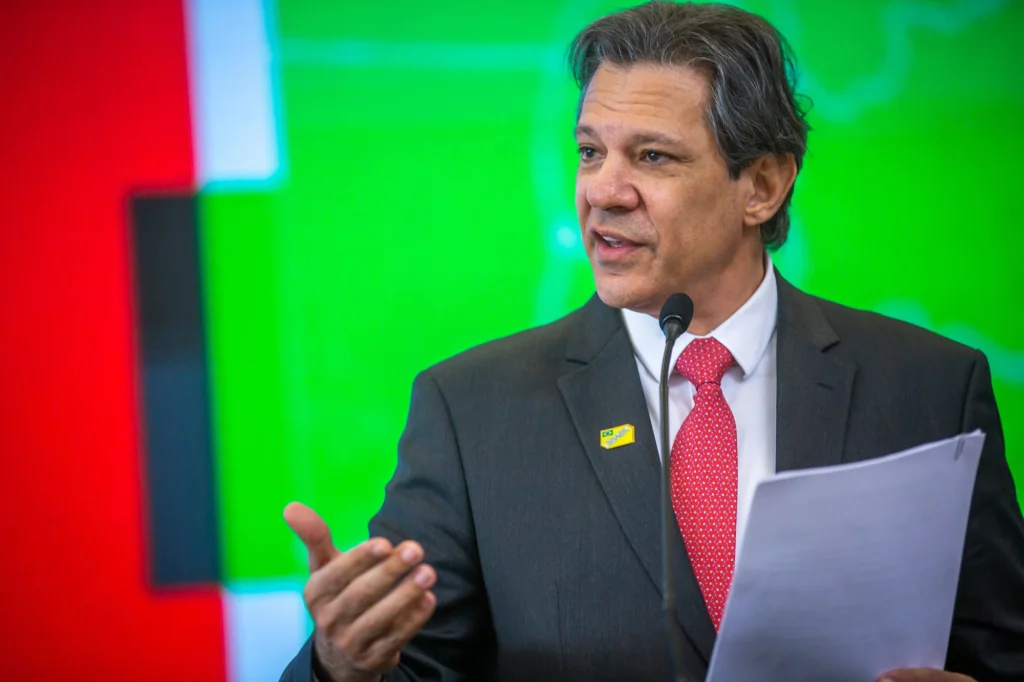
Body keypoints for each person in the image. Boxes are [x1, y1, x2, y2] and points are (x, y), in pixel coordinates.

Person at [280, 2, 1024, 681]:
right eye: (590, 152)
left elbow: (1000, 653)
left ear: (762, 186)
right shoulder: (471, 410)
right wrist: (341, 665)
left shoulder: (930, 387)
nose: (603, 191)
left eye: (652, 157)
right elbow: (414, 669)